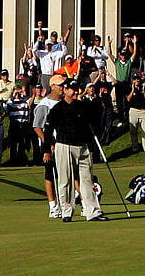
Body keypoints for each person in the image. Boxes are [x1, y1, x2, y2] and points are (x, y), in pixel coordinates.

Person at [44, 80, 108, 222]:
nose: (76, 92)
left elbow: (96, 117)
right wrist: (47, 149)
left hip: (83, 146)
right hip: (64, 145)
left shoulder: (83, 106)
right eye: (72, 89)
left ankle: (93, 212)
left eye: (77, 89)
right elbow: (48, 130)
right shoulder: (57, 109)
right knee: (65, 180)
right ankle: (67, 211)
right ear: (65, 90)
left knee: (87, 179)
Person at [32, 74, 66, 218]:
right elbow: (37, 127)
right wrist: (49, 144)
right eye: (59, 85)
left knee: (67, 174)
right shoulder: (44, 105)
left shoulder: (65, 103)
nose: (62, 88)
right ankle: (53, 206)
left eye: (63, 85)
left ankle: (68, 203)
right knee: (50, 175)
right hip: (49, 146)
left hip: (64, 143)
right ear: (52, 86)